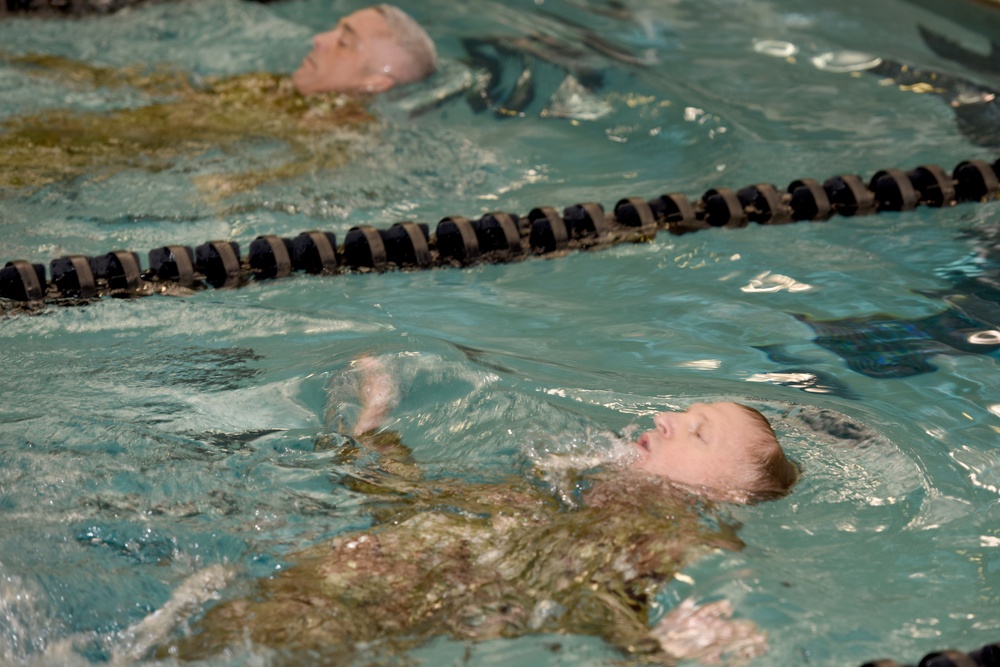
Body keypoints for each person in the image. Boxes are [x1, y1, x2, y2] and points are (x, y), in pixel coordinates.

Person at [155, 355, 798, 664]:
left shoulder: (657, 525)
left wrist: (655, 651)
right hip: (311, 588)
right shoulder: (542, 495)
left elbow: (590, 597)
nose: (666, 418)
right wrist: (375, 424)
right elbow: (407, 503)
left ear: (727, 493)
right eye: (681, 413)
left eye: (697, 432)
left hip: (342, 616)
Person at [291, 4, 438, 96]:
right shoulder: (279, 89)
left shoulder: (340, 138)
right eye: (334, 28)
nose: (319, 39)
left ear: (376, 83)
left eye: (344, 43)